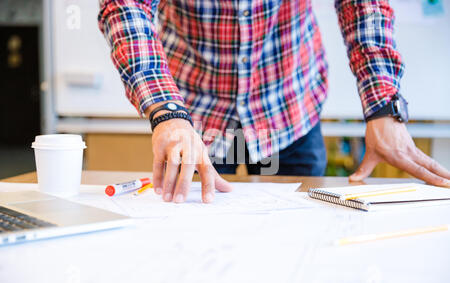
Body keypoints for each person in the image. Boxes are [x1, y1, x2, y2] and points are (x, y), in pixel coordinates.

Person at [98, 0, 450, 203]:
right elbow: (126, 6)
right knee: (190, 250)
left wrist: (382, 103)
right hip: (192, 114)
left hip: (288, 104)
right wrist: (166, 110)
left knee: (297, 249)